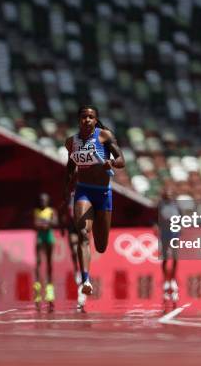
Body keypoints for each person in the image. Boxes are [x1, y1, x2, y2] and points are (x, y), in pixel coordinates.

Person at [64, 105, 125, 310]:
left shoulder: (104, 136)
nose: (87, 120)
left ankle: (87, 275)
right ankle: (86, 280)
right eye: (84, 117)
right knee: (82, 233)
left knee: (100, 245)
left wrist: (111, 163)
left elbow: (121, 160)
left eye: (91, 117)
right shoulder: (71, 142)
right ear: (79, 119)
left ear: (96, 120)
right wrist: (68, 185)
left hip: (104, 193)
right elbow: (71, 165)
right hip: (84, 191)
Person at [33, 193, 58, 309]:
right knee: (38, 260)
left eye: (44, 200)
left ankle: (49, 280)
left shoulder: (51, 211)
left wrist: (46, 223)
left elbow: (55, 222)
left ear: (48, 201)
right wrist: (42, 224)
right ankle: (37, 282)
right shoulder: (36, 211)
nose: (43, 201)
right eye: (41, 200)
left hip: (49, 236)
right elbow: (35, 223)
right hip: (40, 236)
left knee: (49, 261)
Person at [157, 187, 180, 303]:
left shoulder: (176, 205)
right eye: (167, 194)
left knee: (175, 257)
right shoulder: (160, 205)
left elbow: (182, 218)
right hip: (164, 234)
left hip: (175, 233)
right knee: (165, 257)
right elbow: (154, 219)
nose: (169, 196)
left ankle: (173, 279)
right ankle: (166, 280)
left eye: (171, 194)